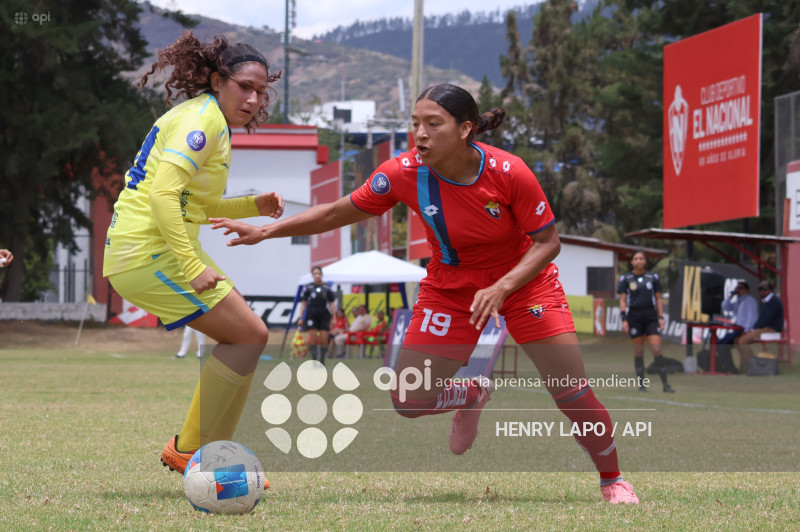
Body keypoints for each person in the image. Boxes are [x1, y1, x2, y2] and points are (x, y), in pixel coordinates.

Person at [211, 83, 639, 503]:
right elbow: (338, 211)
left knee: (570, 389)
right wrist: (266, 231)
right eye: (416, 123)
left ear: (466, 129)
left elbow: (548, 243)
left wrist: (502, 286)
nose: (421, 134)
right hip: (450, 288)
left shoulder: (509, 172)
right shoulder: (402, 173)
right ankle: (472, 393)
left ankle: (613, 480)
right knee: (408, 399)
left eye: (434, 124)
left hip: (524, 283)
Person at [102, 31, 284, 475]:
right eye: (245, 87)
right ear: (217, 80)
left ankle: (208, 452)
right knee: (247, 335)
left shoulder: (209, 120)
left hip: (152, 251)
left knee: (249, 336)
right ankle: (190, 450)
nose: (254, 99)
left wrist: (251, 205)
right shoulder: (202, 122)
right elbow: (165, 196)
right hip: (147, 255)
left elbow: (191, 203)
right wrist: (191, 263)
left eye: (261, 92)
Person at [617, 251, 674, 393]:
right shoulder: (626, 279)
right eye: (635, 258)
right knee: (638, 351)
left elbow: (658, 298)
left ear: (645, 261)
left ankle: (665, 385)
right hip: (634, 317)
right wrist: (624, 319)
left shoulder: (652, 277)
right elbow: (623, 300)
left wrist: (660, 317)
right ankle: (642, 385)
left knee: (656, 349)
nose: (638, 261)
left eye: (641, 258)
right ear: (632, 262)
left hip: (650, 316)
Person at [734, 280, 784, 371]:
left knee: (742, 341)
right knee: (737, 340)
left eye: (764, 289)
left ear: (770, 290)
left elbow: (765, 321)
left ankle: (753, 366)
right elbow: (762, 320)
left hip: (770, 329)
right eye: (760, 289)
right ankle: (746, 365)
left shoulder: (773, 302)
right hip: (763, 328)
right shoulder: (766, 302)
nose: (761, 291)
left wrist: (752, 330)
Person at [716, 281, 758, 373]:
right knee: (718, 344)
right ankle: (727, 368)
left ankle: (731, 370)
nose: (737, 289)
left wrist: (747, 331)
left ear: (746, 290)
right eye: (737, 287)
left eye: (740, 288)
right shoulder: (738, 301)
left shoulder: (750, 301)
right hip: (736, 329)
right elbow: (725, 306)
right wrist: (730, 296)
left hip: (741, 330)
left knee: (722, 346)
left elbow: (752, 318)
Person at [297, 266, 336, 365]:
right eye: (315, 274)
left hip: (324, 315)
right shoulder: (308, 288)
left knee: (324, 339)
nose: (317, 275)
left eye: (319, 273)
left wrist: (334, 317)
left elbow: (331, 304)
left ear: (321, 275)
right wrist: (301, 318)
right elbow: (304, 303)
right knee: (313, 339)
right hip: (312, 315)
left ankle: (322, 359)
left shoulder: (327, 288)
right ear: (312, 275)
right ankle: (314, 361)